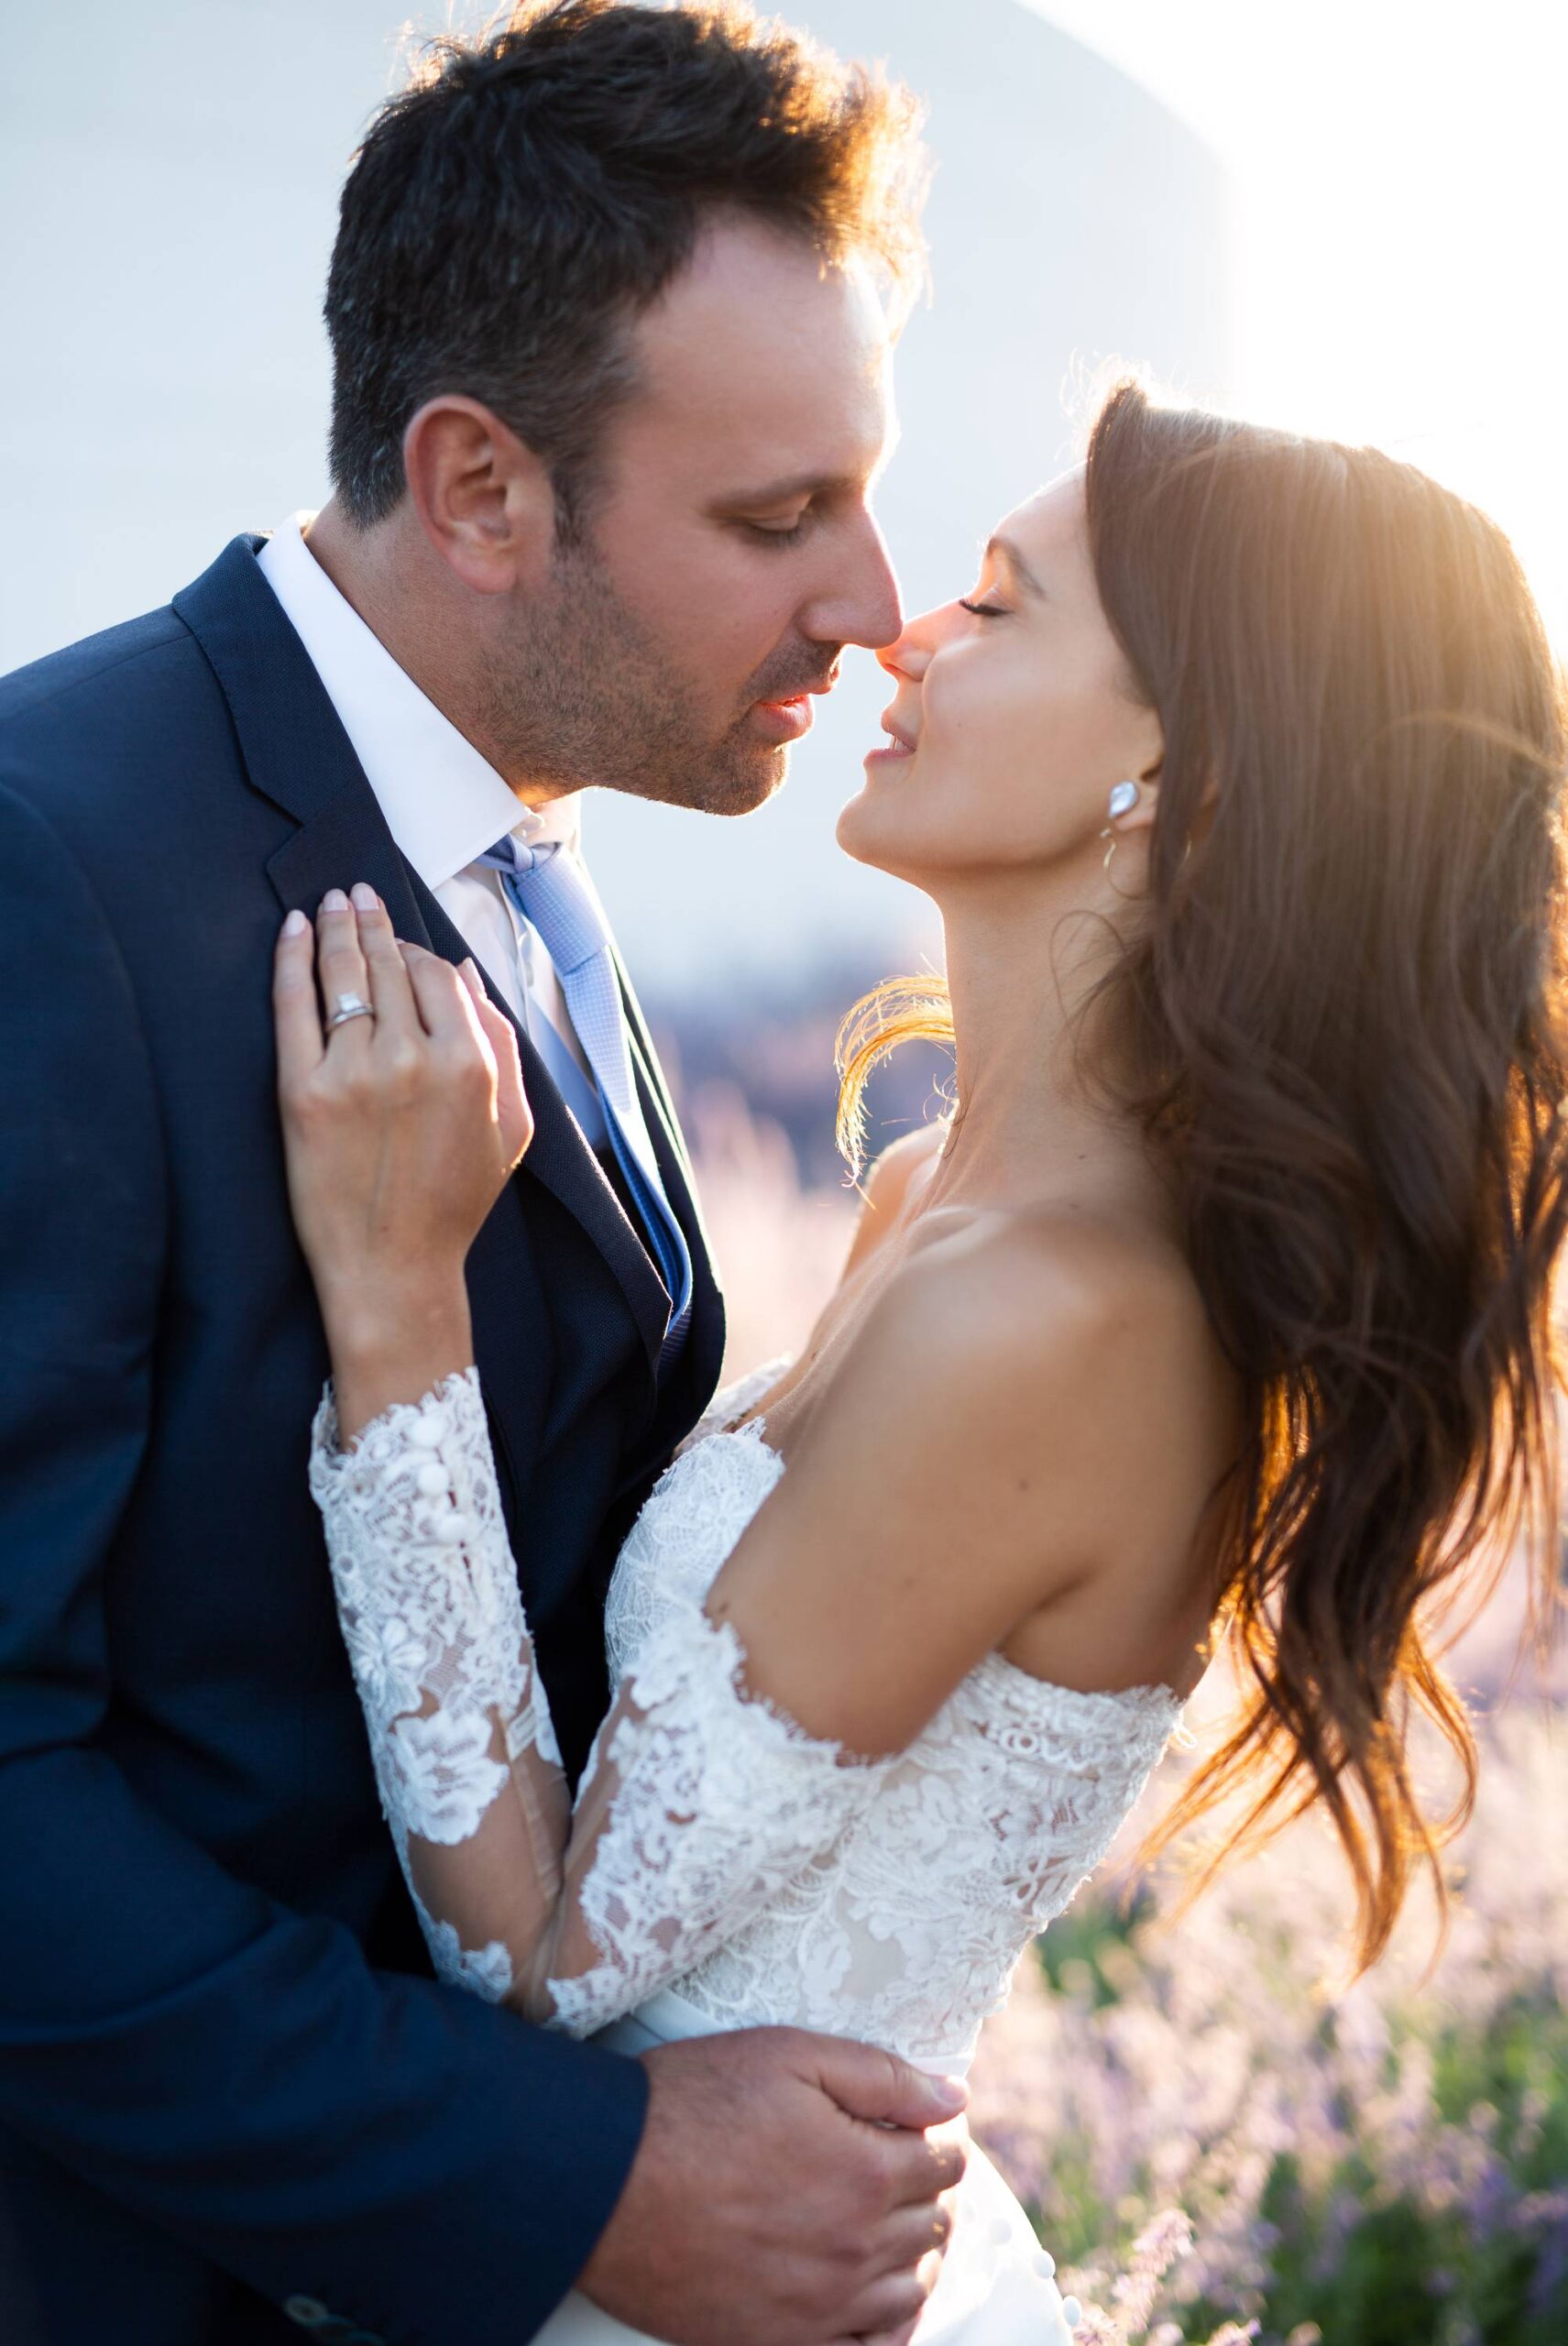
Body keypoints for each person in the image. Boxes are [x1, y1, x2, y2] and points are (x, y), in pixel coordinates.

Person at [273, 378, 1568, 2345]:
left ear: (1181, 770)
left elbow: (530, 1953)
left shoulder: (1058, 1321)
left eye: (998, 603)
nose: (898, 630)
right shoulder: (921, 1196)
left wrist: (395, 1305)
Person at [0, 8, 965, 2343]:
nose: (874, 602)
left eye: (864, 490)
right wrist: (579, 2186)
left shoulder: (525, 835)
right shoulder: (52, 857)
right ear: (477, 486)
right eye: (774, 517)